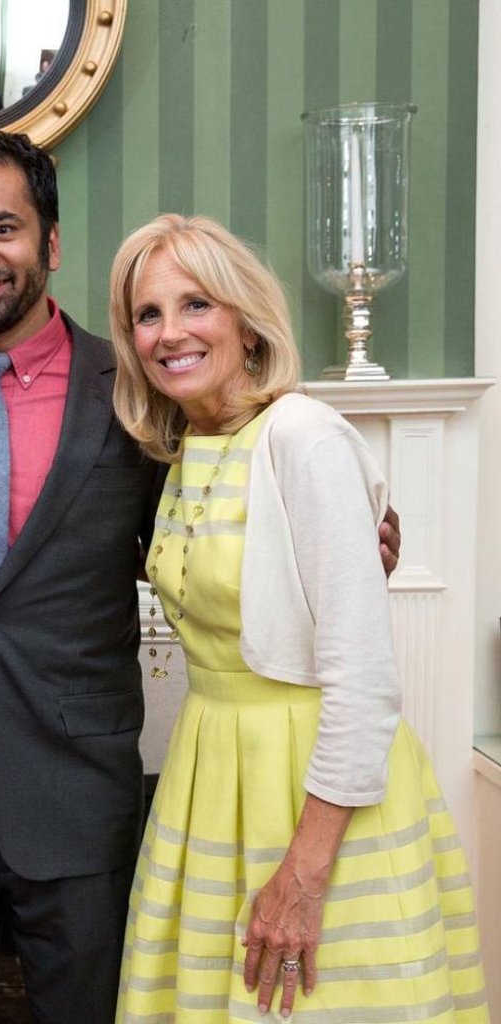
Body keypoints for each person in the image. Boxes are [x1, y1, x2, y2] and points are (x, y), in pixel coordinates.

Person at [0, 133, 401, 1023]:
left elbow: (214, 509)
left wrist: (354, 532)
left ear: (50, 244)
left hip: (74, 779)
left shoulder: (139, 385)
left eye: (2, 228)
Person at [108, 214, 488, 1022]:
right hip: (210, 772)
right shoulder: (184, 449)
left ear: (247, 321)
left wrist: (304, 874)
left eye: (197, 304)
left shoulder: (303, 437)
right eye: (148, 314)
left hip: (314, 794)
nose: (170, 332)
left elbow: (365, 682)